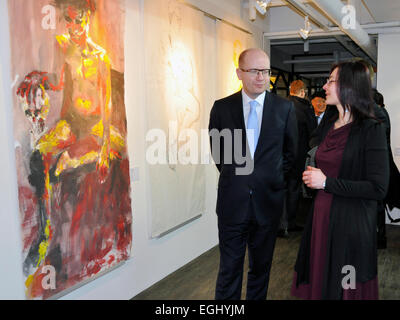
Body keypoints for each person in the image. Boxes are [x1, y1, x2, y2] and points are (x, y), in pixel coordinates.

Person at [291, 60, 389, 300]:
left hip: (350, 224)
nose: (324, 86)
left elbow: (378, 188)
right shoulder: (329, 124)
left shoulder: (371, 128)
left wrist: (326, 182)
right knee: (322, 282)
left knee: (345, 285)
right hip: (322, 218)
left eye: (331, 81)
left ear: (349, 86)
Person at [209, 48, 298, 300]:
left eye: (266, 71)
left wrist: (270, 180)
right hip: (232, 203)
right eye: (254, 71)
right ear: (239, 73)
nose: (261, 77)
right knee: (229, 269)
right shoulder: (222, 108)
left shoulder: (284, 109)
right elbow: (219, 156)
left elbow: (292, 155)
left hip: (267, 204)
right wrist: (240, 178)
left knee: (260, 269)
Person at [278, 80, 314, 237]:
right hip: (298, 156)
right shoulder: (306, 108)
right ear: (303, 92)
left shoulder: (279, 105)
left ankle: (280, 225)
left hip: (279, 156)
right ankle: (289, 224)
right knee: (293, 191)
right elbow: (313, 133)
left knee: (280, 190)